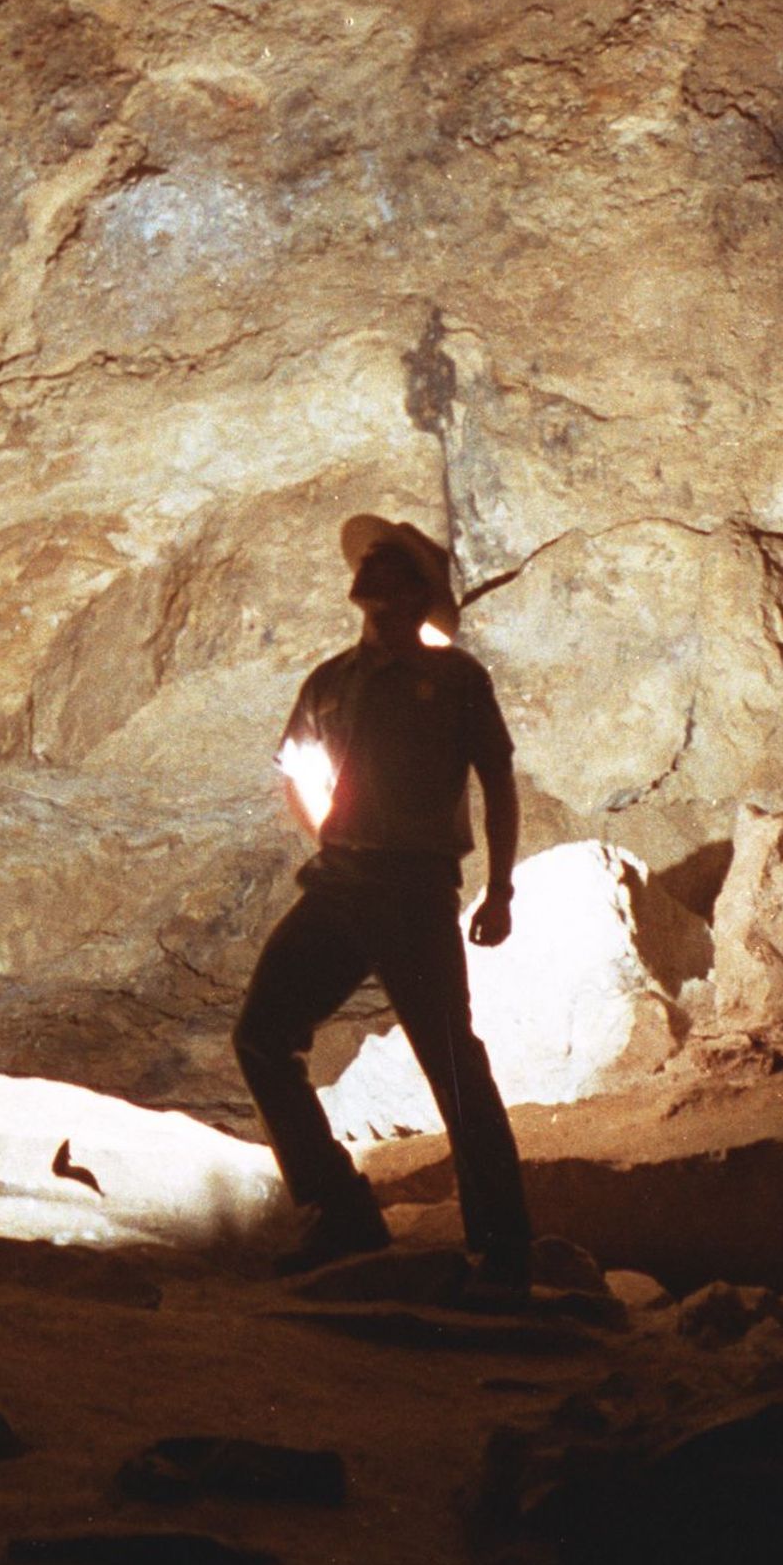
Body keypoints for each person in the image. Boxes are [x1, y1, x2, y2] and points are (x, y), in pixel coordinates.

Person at [233, 513, 535, 1299]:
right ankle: (340, 1215)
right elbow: (295, 765)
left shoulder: (457, 680)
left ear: (414, 591)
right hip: (343, 883)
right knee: (263, 1038)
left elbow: (497, 782)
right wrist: (327, 829)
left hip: (411, 888)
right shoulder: (330, 680)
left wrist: (501, 887)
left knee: (452, 1065)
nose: (367, 567)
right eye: (367, 559)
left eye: (386, 561)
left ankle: (504, 1254)